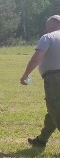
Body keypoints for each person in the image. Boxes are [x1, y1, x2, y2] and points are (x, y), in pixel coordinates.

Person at [20, 14, 60, 148]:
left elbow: (36, 58)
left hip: (55, 78)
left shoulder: (48, 37)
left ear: (53, 24)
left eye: (47, 25)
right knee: (53, 111)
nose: (46, 28)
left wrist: (26, 75)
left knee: (55, 108)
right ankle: (42, 140)